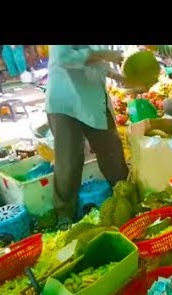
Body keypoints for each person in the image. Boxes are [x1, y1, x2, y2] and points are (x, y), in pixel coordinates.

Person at [45, 45, 131, 230]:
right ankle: (64, 213)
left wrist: (123, 79)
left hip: (92, 99)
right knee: (68, 160)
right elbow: (64, 57)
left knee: (111, 149)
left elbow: (97, 65)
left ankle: (124, 196)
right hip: (65, 101)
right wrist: (103, 54)